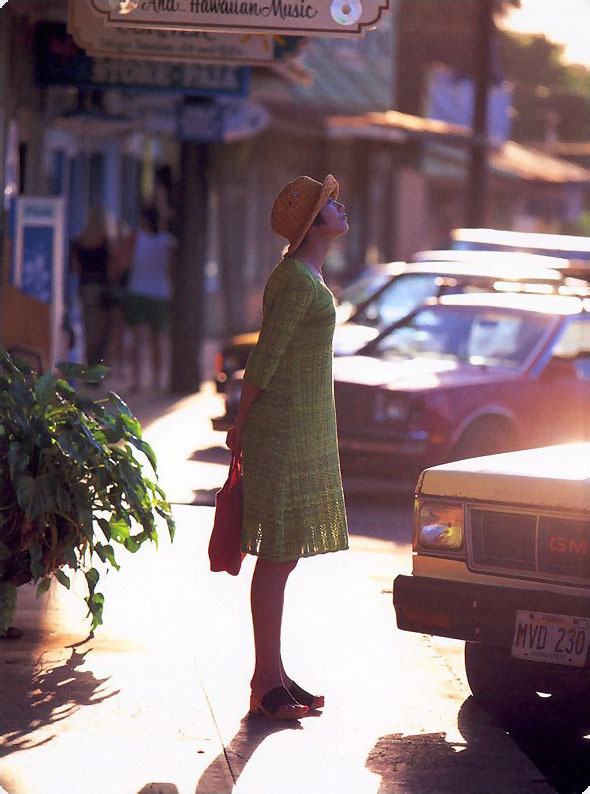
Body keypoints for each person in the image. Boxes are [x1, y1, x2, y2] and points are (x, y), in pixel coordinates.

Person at [226, 174, 350, 721]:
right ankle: (262, 679)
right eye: (331, 205)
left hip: (303, 427)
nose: (341, 208)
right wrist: (240, 422)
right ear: (315, 225)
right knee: (276, 556)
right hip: (279, 428)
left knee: (287, 554)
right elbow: (265, 358)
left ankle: (274, 673)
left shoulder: (307, 274)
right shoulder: (296, 280)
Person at [124, 204, 176, 391]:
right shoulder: (168, 241)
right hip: (160, 294)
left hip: (137, 290)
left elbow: (125, 262)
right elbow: (171, 269)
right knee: (158, 339)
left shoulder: (135, 238)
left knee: (138, 339)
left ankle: (137, 380)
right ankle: (158, 379)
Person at [70, 207, 111, 367]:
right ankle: (93, 362)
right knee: (98, 329)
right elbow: (111, 267)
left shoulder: (79, 242)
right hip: (101, 287)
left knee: (87, 326)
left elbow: (75, 267)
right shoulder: (104, 242)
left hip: (85, 286)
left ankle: (88, 362)